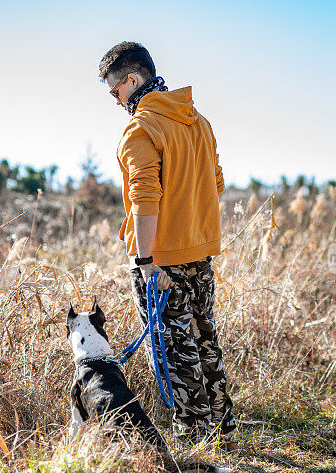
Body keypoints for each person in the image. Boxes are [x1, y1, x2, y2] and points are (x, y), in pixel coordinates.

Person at [98, 41, 237, 446]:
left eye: (115, 91)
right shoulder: (200, 122)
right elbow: (217, 183)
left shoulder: (141, 128)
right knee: (204, 339)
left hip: (159, 262)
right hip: (200, 253)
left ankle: (193, 444)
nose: (115, 100)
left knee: (172, 351)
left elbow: (144, 199)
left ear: (133, 79)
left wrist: (144, 261)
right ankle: (222, 430)